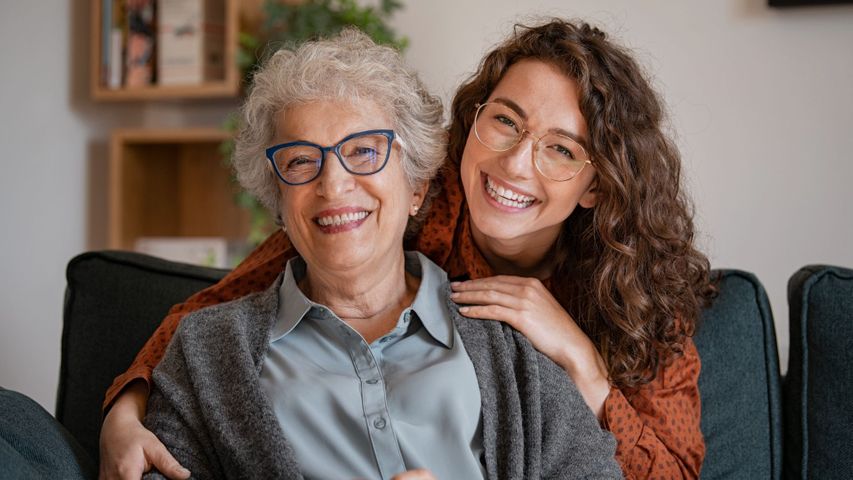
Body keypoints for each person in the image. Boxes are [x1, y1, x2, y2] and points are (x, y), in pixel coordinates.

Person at [101, 19, 714, 480]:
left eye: (561, 148)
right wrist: (125, 407)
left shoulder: (635, 296)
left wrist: (582, 364)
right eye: (505, 121)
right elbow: (212, 314)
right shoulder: (408, 197)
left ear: (595, 184)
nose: (515, 164)